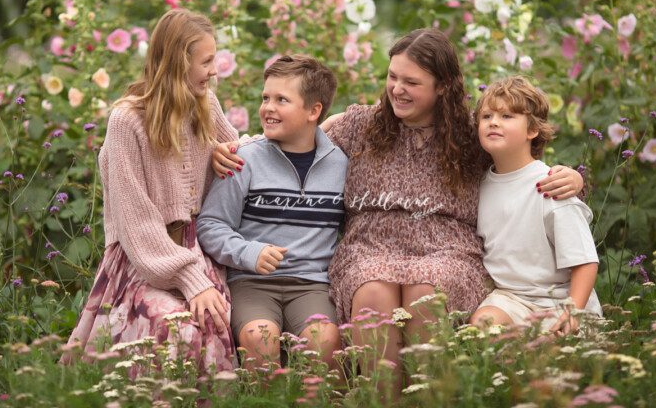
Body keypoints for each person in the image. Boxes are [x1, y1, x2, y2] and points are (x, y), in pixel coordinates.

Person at [212, 29, 585, 381]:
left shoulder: (471, 137)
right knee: (373, 291)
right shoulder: (361, 124)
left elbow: (520, 164)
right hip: (370, 245)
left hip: (448, 249)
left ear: (442, 87)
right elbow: (297, 136)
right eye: (393, 77)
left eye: (412, 82)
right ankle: (381, 398)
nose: (397, 89)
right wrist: (234, 147)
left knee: (425, 294)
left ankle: (428, 394)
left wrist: (573, 177)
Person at [61, 9, 237, 374]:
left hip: (199, 252)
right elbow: (136, 222)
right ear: (177, 62)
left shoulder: (206, 105)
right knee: (175, 328)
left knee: (213, 322)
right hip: (144, 259)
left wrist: (224, 152)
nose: (214, 71)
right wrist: (189, 280)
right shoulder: (127, 121)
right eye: (206, 62)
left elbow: (244, 156)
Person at [196, 55, 346, 369]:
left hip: (312, 283)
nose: (268, 107)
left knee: (326, 340)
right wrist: (248, 252)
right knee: (259, 337)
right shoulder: (243, 160)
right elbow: (211, 224)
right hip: (252, 282)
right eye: (265, 98)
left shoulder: (340, 165)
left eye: (281, 99)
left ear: (313, 111)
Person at [471, 76, 602, 333]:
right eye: (486, 116)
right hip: (510, 299)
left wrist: (572, 311)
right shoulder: (480, 184)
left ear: (532, 130)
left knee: (550, 357)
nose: (493, 122)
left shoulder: (552, 186)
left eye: (507, 116)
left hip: (562, 300)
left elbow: (585, 261)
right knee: (482, 324)